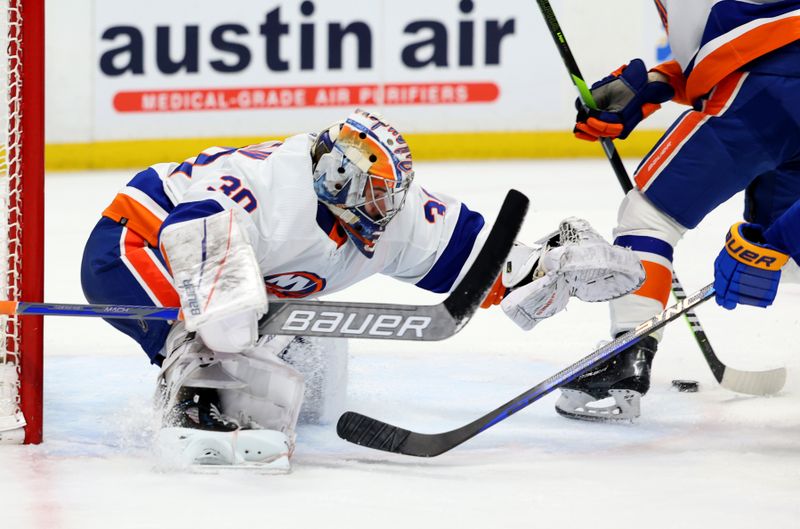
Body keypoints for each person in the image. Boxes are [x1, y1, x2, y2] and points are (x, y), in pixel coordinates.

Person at [81, 108, 644, 469]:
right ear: (337, 178)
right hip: (138, 243)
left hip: (254, 277)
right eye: (372, 195)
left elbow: (480, 262)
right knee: (220, 348)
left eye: (388, 197)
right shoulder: (272, 183)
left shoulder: (389, 212)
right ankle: (195, 395)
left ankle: (228, 358)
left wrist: (550, 266)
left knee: (312, 384)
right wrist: (221, 323)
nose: (384, 210)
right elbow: (195, 226)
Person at [561, 0, 800, 421]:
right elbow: (744, 30)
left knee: (651, 215)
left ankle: (626, 356)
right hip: (773, 72)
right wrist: (655, 84)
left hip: (764, 87)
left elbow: (761, 45)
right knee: (786, 243)